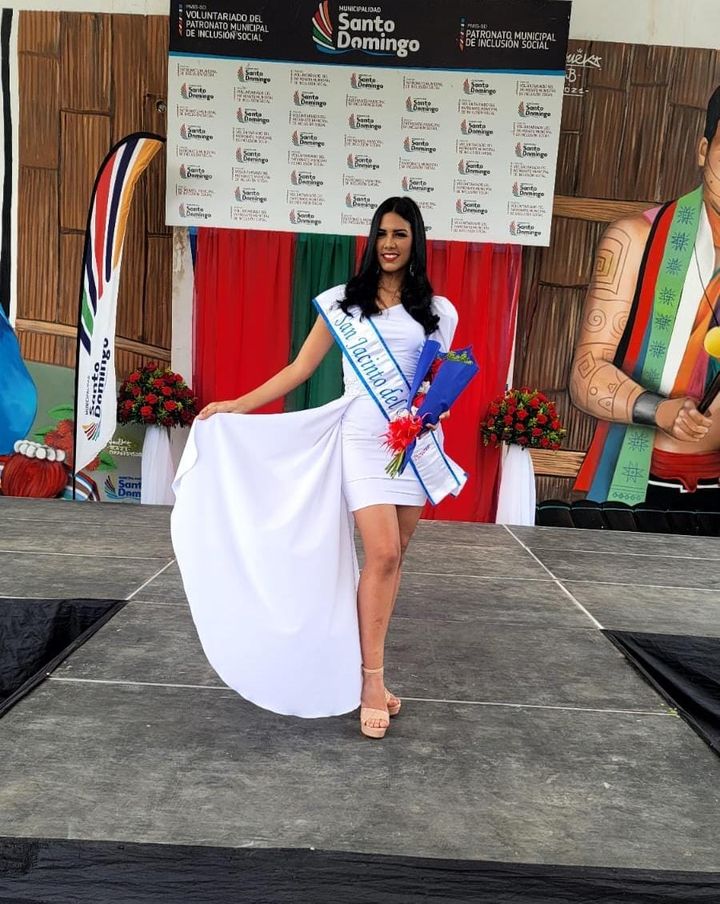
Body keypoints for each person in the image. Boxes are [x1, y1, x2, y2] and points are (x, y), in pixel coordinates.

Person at [172, 197, 464, 738]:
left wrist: (435, 408)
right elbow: (300, 368)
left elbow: (436, 377)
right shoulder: (345, 303)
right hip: (361, 436)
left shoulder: (438, 311)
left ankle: (363, 667)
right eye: (382, 233)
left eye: (400, 234)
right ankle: (371, 682)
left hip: (413, 443)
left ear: (415, 241)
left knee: (392, 561)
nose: (390, 244)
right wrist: (238, 404)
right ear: (372, 239)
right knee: (381, 553)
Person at [571, 86, 720, 509]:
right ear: (703, 150)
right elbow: (585, 374)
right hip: (644, 475)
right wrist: (659, 410)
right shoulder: (634, 239)